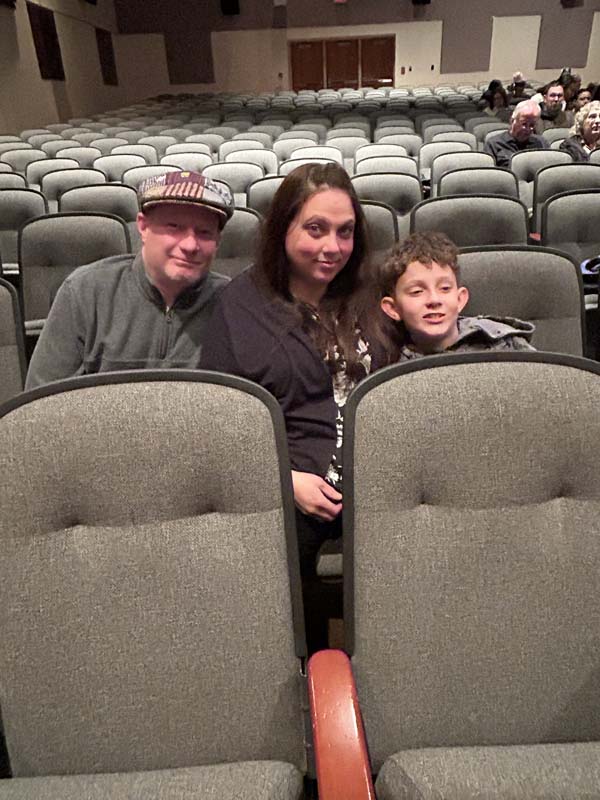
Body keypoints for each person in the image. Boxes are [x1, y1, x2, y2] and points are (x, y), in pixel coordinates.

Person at [200, 162, 380, 650]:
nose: (332, 247)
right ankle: (300, 670)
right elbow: (222, 420)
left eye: (345, 232)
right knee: (273, 576)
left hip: (380, 475)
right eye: (315, 229)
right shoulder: (241, 305)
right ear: (283, 229)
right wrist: (284, 479)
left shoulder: (370, 292)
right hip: (297, 480)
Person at [26, 171, 234, 390]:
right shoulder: (84, 292)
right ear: (143, 227)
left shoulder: (233, 304)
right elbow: (42, 399)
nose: (190, 245)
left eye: (204, 232)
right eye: (174, 227)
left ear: (218, 241)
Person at [378, 232, 535, 360]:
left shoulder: (507, 347)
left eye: (445, 288)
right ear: (393, 308)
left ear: (460, 299)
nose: (434, 300)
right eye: (417, 292)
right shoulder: (383, 363)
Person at [484, 100, 548, 168]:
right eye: (524, 124)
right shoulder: (494, 144)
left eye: (532, 125)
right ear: (512, 121)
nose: (527, 129)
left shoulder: (541, 142)